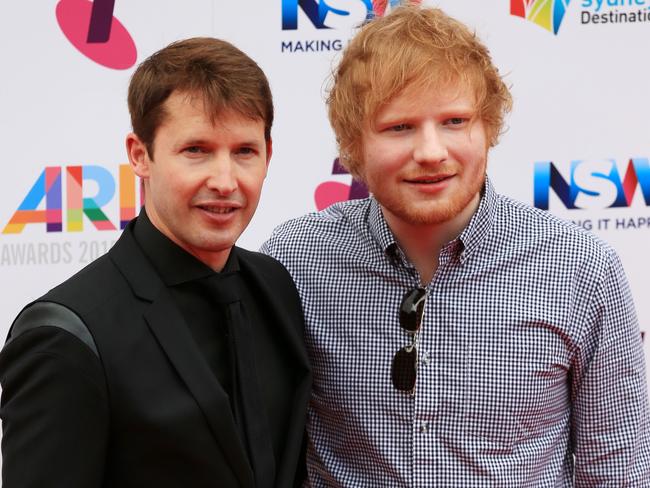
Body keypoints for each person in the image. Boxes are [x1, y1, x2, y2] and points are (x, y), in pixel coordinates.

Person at [262, 5, 650, 486]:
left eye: (454, 121)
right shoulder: (296, 260)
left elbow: (617, 471)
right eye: (399, 127)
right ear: (352, 145)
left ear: (488, 127)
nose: (430, 152)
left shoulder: (582, 270)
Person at [0, 38, 310, 488]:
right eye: (196, 150)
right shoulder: (65, 335)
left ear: (268, 155)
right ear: (140, 155)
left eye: (244, 151)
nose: (225, 181)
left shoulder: (275, 287)